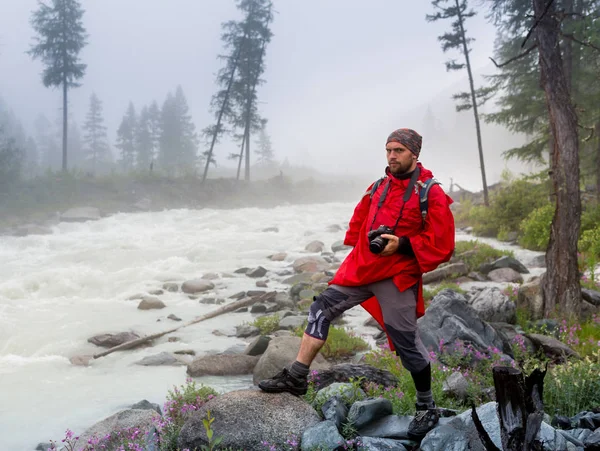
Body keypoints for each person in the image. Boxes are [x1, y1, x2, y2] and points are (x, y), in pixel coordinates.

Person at [258, 128, 455, 439]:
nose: (392, 156)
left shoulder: (430, 192)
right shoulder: (378, 186)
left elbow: (443, 244)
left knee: (405, 341)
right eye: (389, 150)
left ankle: (426, 406)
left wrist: (402, 244)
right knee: (321, 308)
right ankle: (297, 376)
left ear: (415, 154)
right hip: (363, 270)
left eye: (399, 151)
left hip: (397, 276)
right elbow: (360, 224)